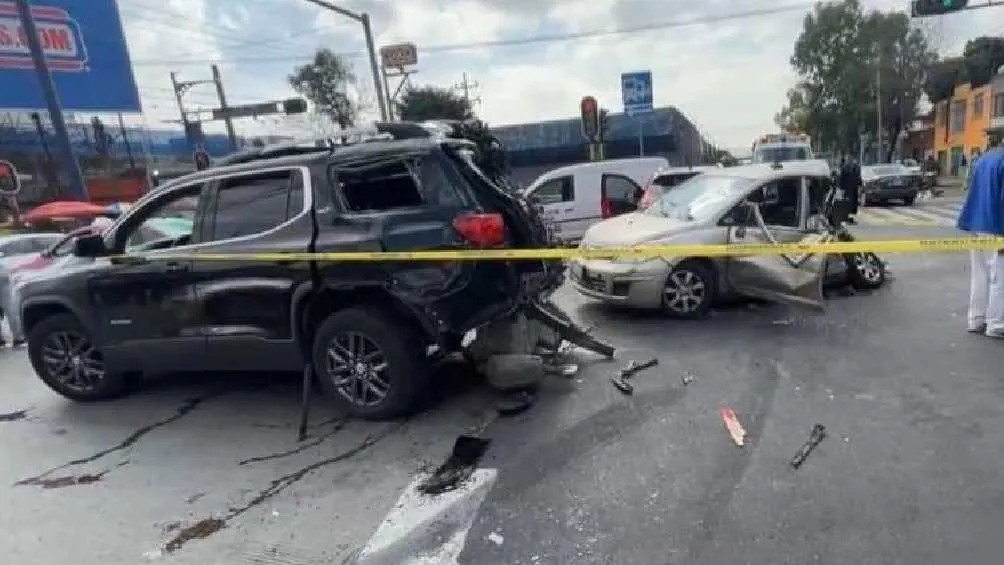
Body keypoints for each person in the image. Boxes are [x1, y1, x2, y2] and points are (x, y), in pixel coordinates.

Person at [956, 133, 1004, 338]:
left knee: (980, 274)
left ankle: (976, 318)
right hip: (996, 226)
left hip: (976, 223)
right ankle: (997, 323)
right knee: (999, 278)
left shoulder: (985, 159)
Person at [839, 155, 861, 224]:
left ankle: (847, 217)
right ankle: (845, 217)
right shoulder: (846, 168)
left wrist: (859, 185)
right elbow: (842, 178)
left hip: (852, 188)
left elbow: (858, 177)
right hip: (849, 188)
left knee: (851, 203)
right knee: (848, 202)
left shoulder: (855, 167)